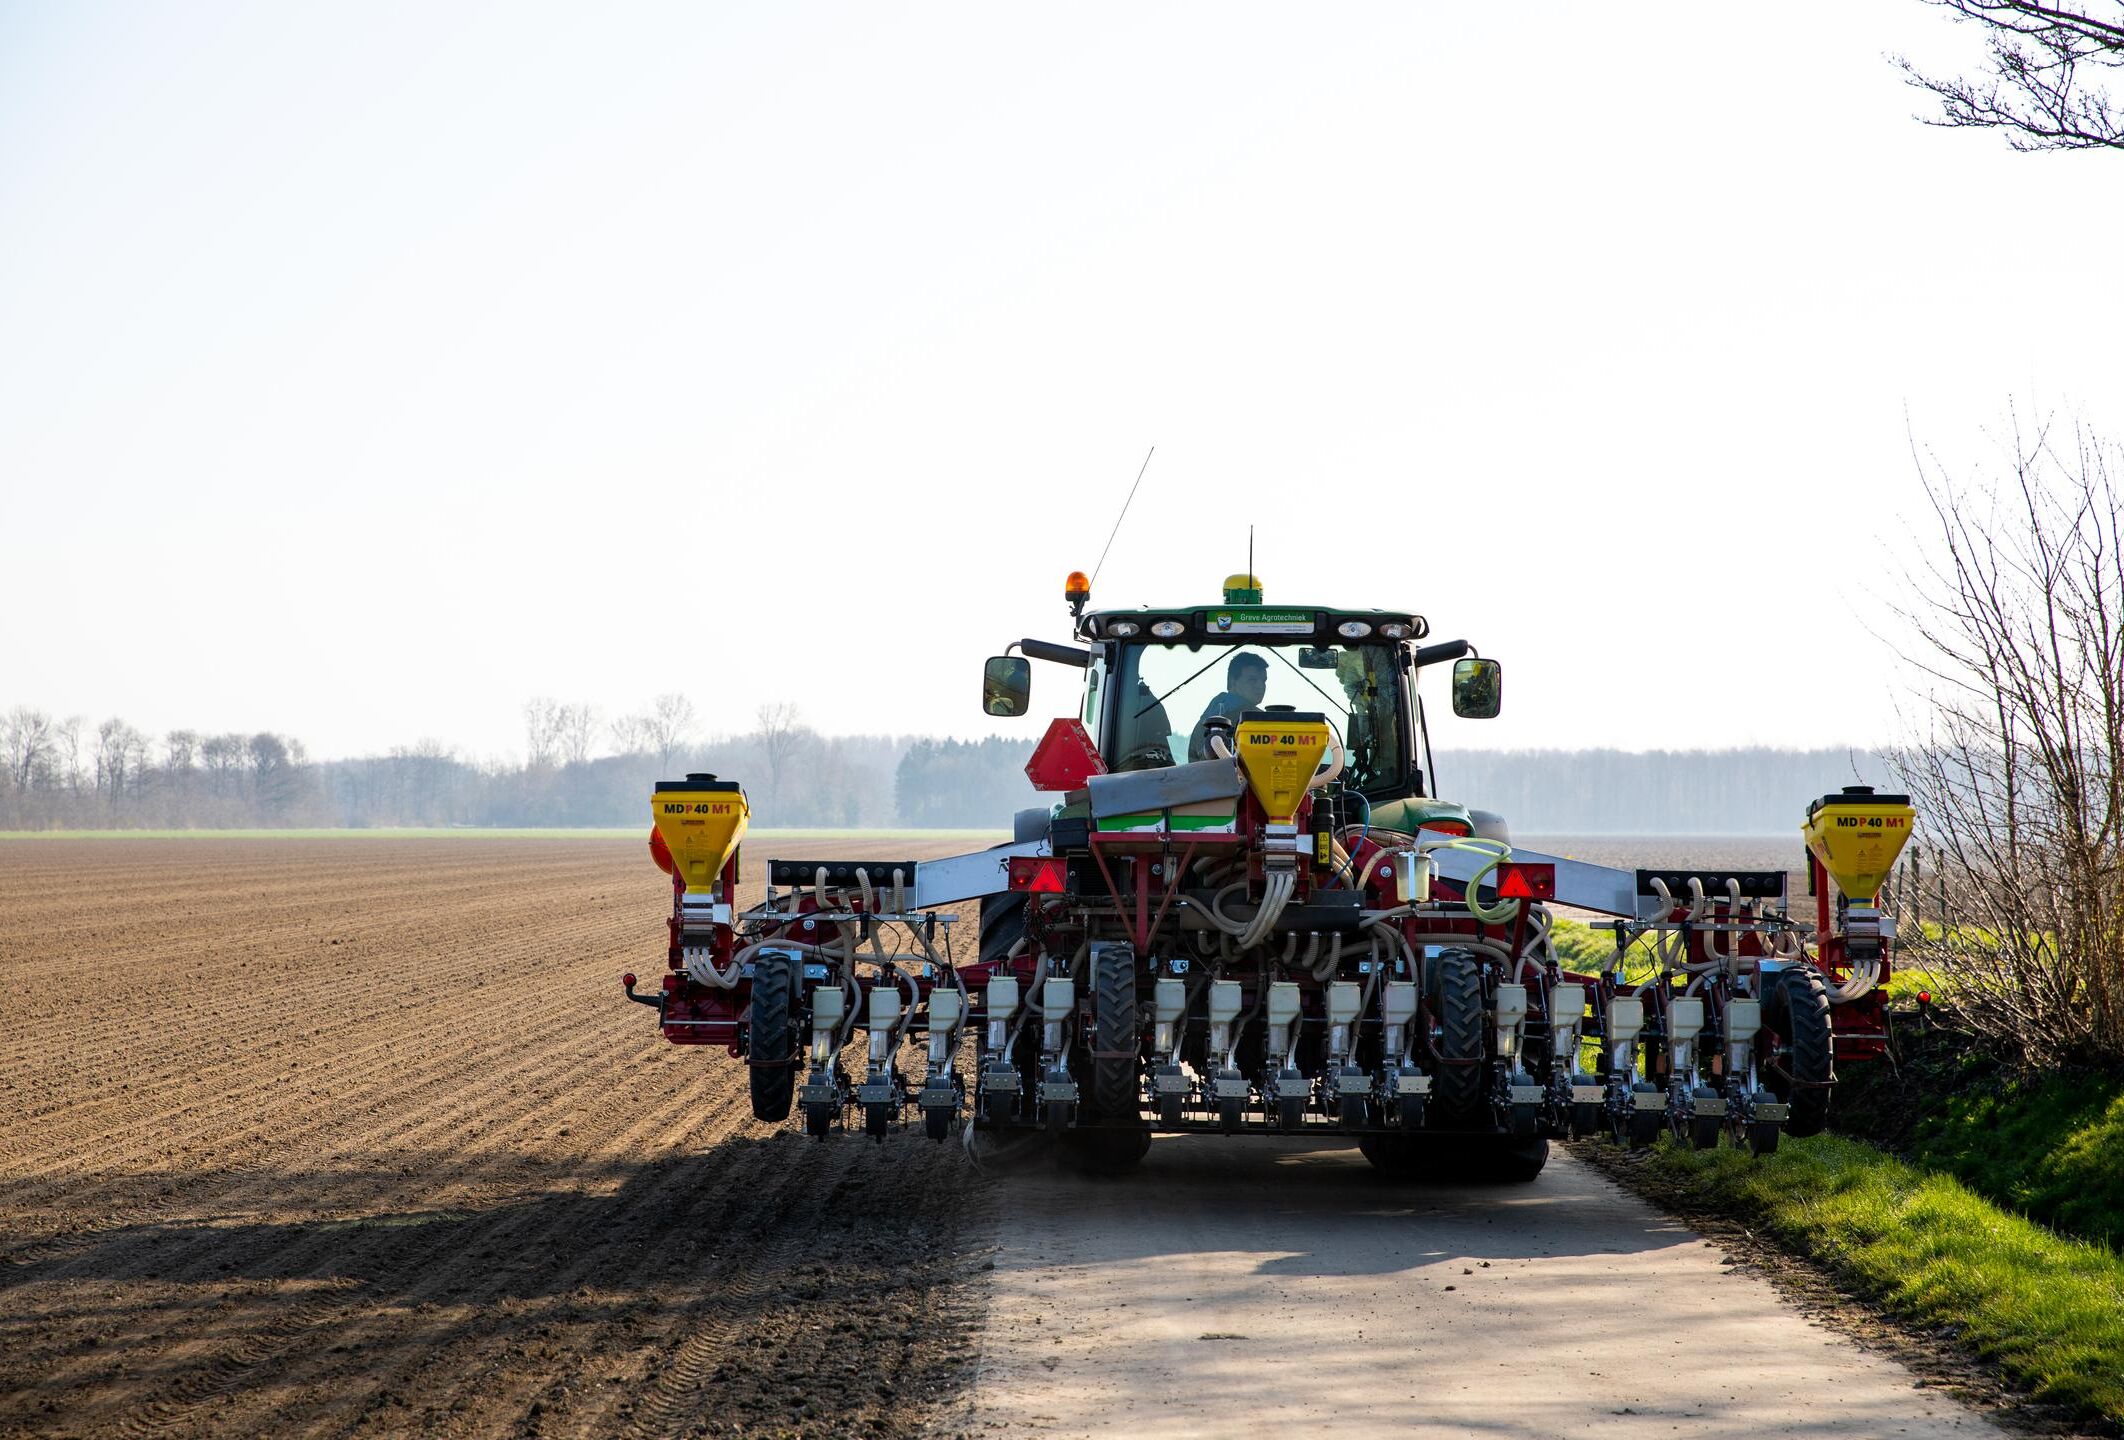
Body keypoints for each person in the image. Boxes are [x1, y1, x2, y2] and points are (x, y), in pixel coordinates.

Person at [1188, 652, 1268, 760]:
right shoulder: (1249, 718)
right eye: (1252, 680)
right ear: (1232, 682)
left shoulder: (1210, 715)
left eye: (1263, 680)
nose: (1260, 686)